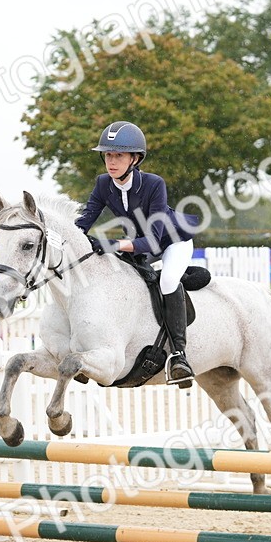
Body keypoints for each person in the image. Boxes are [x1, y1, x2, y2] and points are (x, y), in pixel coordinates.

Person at [75, 121, 199, 384]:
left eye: (118, 155)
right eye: (108, 155)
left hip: (173, 241)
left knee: (166, 280)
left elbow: (153, 241)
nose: (111, 161)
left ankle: (179, 354)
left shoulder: (154, 184)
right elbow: (82, 224)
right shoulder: (102, 184)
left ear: (135, 158)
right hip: (139, 242)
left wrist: (112, 244)